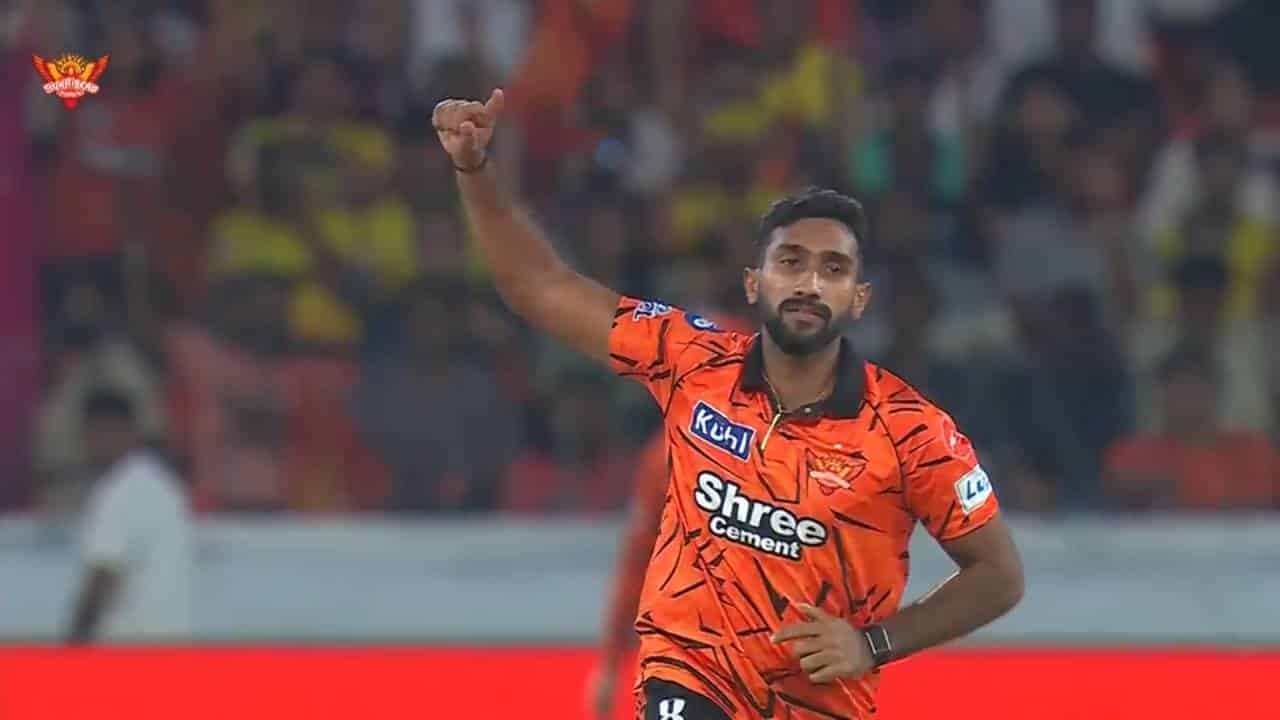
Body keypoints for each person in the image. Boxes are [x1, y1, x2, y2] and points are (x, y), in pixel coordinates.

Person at [434, 89, 1024, 720]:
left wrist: (873, 644)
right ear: (753, 283)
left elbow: (999, 576)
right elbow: (540, 285)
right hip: (688, 679)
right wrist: (475, 169)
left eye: (833, 269)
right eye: (790, 262)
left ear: (859, 298)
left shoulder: (910, 429)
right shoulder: (690, 358)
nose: (809, 283)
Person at [67, 388, 194, 644]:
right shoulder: (163, 484)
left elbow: (102, 579)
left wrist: (70, 650)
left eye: (103, 432)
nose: (96, 443)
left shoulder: (120, 490)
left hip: (131, 650)